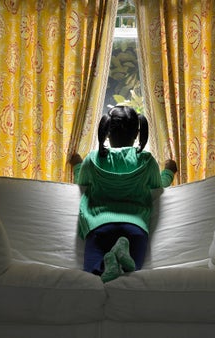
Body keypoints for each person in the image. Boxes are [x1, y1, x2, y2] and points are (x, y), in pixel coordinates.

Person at [69, 105, 177, 283]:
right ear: (137, 134)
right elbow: (159, 187)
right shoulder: (146, 160)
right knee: (132, 271)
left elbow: (80, 184)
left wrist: (77, 165)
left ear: (107, 132)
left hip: (99, 226)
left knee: (93, 275)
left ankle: (108, 261)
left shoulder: (93, 159)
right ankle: (118, 253)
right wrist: (169, 172)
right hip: (135, 227)